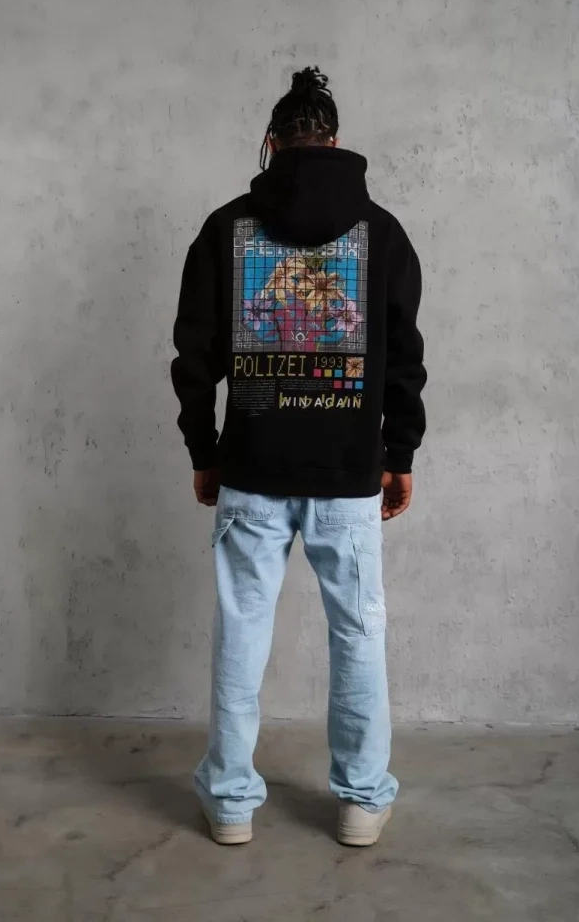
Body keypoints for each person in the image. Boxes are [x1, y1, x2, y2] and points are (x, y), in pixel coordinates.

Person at [171, 67, 426, 846]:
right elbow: (402, 359)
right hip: (347, 468)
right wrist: (398, 451)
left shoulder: (225, 228)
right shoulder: (382, 232)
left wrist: (204, 449)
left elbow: (193, 355)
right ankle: (360, 802)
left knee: (242, 629)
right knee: (358, 634)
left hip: (251, 466)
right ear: (335, 142)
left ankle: (229, 803)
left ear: (272, 143)